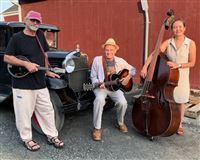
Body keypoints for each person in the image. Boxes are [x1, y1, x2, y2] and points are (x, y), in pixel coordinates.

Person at [4, 11, 64, 151]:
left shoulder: (40, 35)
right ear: (26, 20)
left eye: (37, 21)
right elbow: (7, 57)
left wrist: (48, 70)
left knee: (47, 111)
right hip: (22, 85)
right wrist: (26, 64)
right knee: (24, 113)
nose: (35, 23)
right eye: (32, 20)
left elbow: (45, 54)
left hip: (40, 83)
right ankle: (27, 139)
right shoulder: (16, 38)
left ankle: (52, 135)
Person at [140, 18, 196, 136]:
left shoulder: (190, 43)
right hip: (168, 77)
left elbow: (192, 62)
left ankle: (179, 124)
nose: (178, 29)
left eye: (180, 27)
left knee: (181, 102)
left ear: (184, 28)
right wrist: (145, 67)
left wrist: (178, 65)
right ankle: (166, 121)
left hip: (182, 77)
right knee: (167, 99)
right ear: (172, 30)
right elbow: (155, 53)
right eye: (175, 27)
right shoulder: (168, 42)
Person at [90, 38, 136, 141]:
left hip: (115, 88)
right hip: (101, 87)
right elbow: (93, 77)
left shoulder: (120, 61)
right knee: (99, 100)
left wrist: (128, 77)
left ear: (115, 51)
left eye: (111, 50)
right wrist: (98, 83)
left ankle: (120, 123)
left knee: (123, 102)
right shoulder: (97, 60)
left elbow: (133, 70)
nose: (109, 52)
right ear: (104, 50)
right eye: (107, 50)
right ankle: (97, 128)